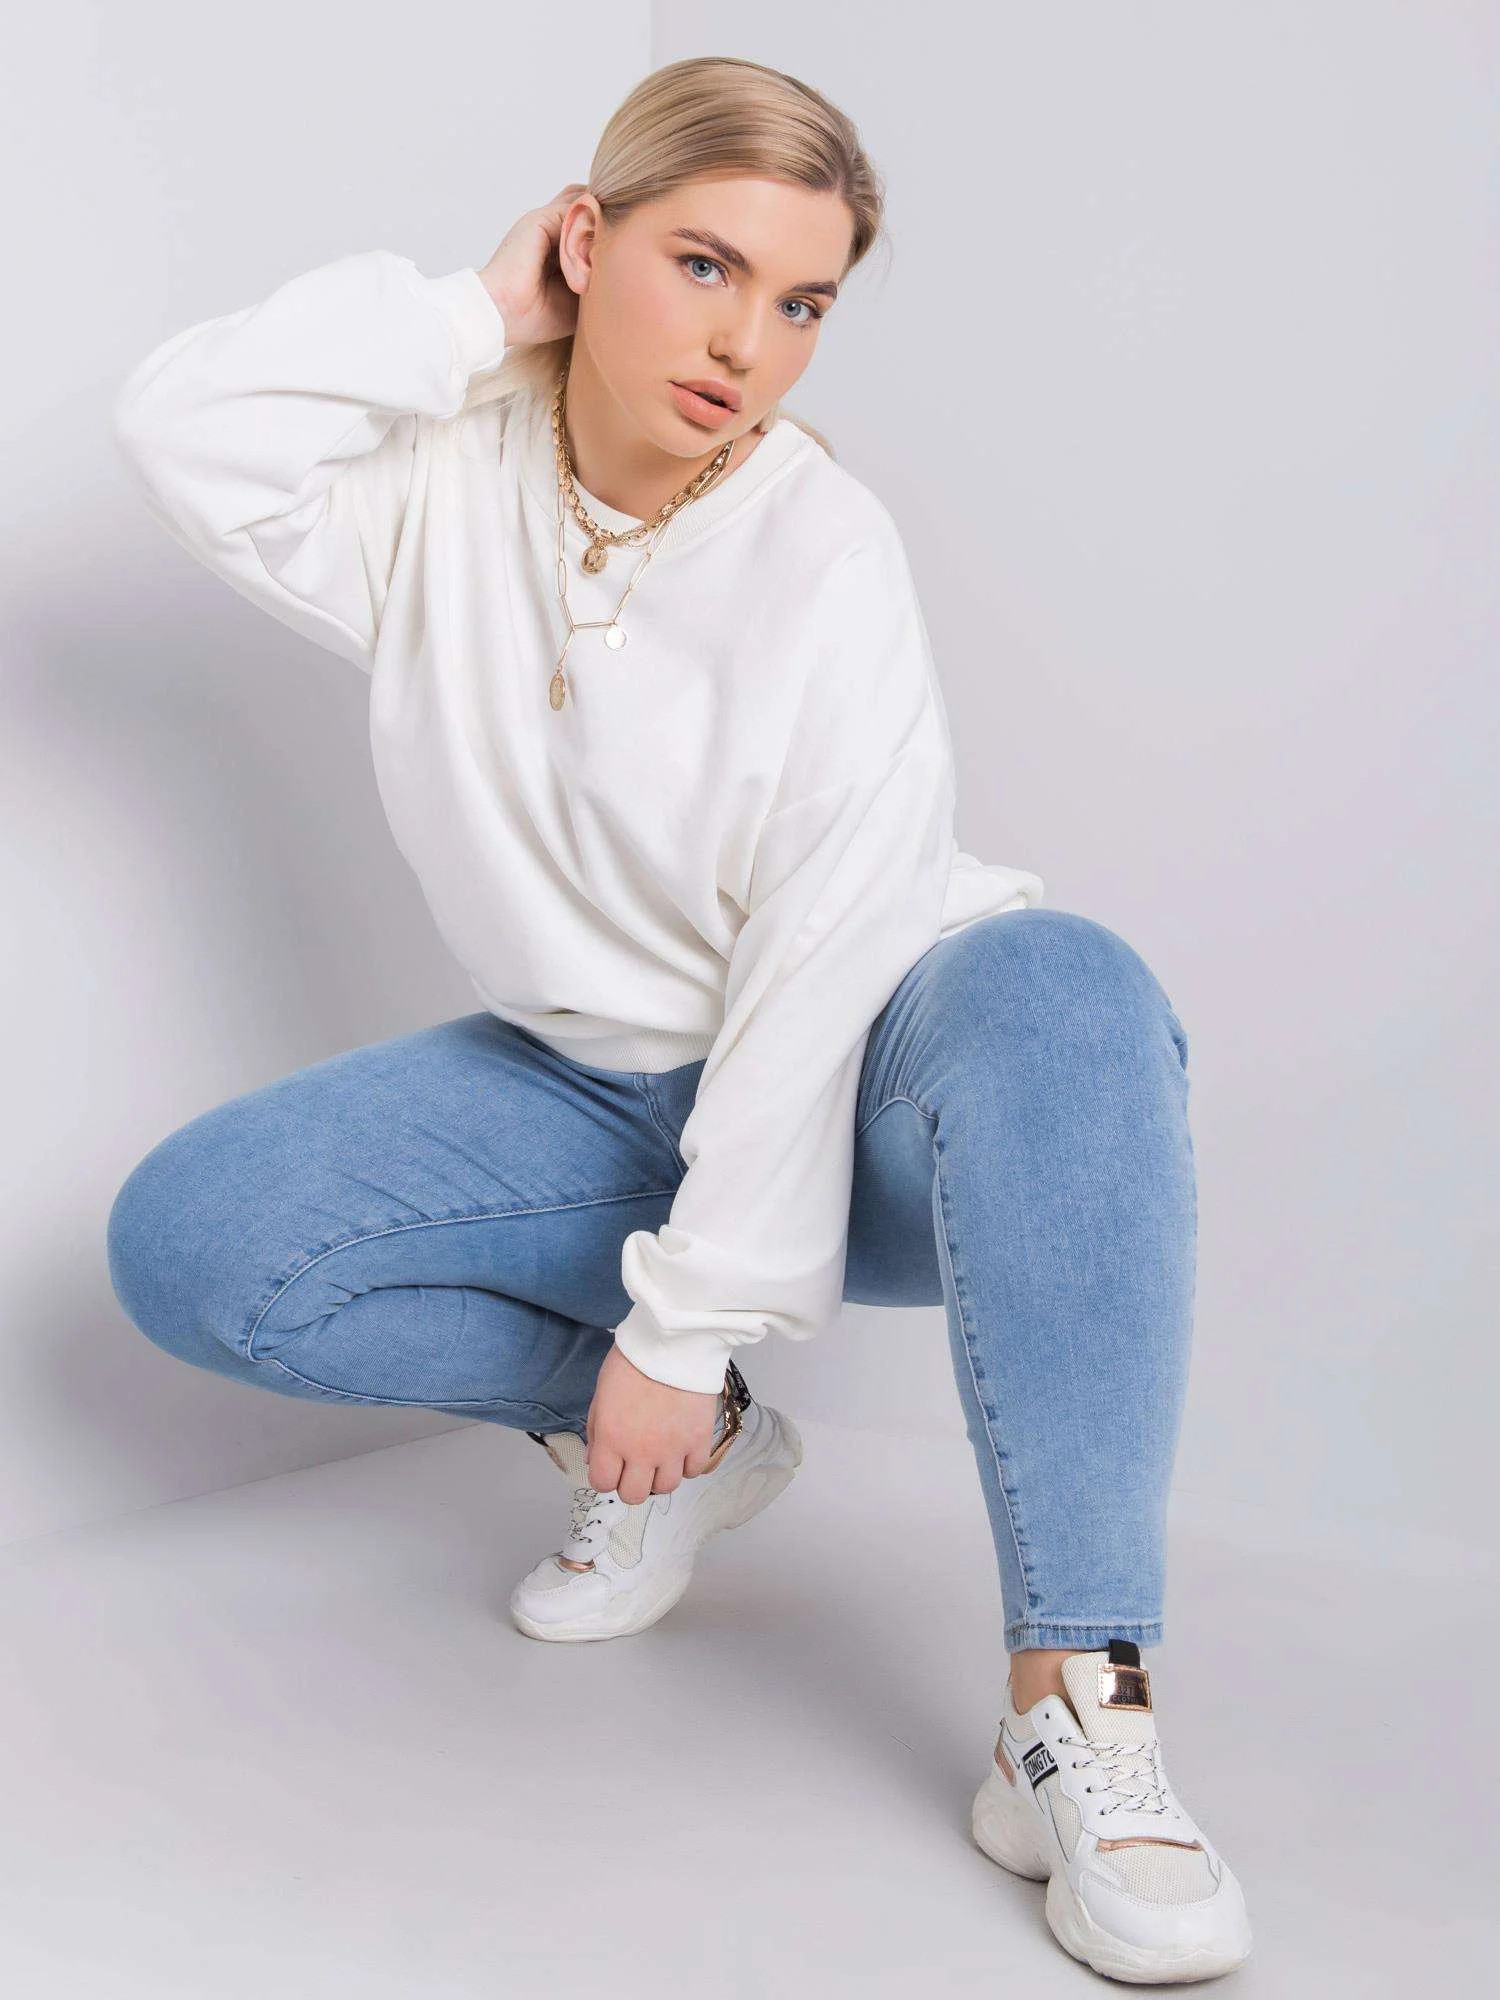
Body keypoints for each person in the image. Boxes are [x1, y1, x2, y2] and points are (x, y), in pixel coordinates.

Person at [103, 54, 1252, 1986]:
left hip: (886, 1087)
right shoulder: (439, 487)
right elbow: (179, 427)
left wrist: (684, 1317)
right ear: (586, 239)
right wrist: (474, 313)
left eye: (801, 302)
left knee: (1072, 986)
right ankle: (687, 1457)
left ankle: (1076, 1708)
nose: (745, 343)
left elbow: (824, 955)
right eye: (703, 265)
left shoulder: (820, 552)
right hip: (587, 1086)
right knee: (194, 1243)